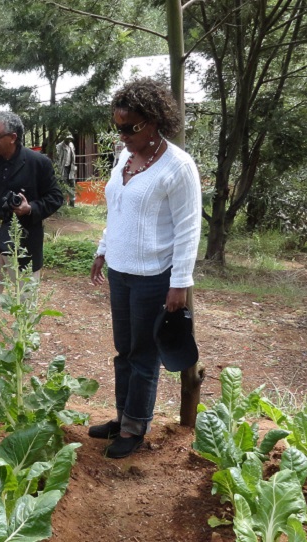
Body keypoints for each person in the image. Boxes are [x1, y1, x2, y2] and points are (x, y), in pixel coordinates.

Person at [89, 78, 202, 459]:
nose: (121, 136)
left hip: (155, 276)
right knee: (124, 350)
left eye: (129, 128)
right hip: (120, 272)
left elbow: (189, 229)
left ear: (153, 122)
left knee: (143, 355)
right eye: (117, 127)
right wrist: (103, 248)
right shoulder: (125, 158)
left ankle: (136, 427)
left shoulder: (178, 167)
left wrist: (179, 284)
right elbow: (117, 209)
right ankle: (122, 418)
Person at [0, 111, 64, 362]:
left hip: (23, 241)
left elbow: (55, 197)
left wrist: (30, 208)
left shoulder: (38, 162)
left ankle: (23, 346)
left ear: (13, 137)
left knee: (25, 296)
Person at [55, 133, 77, 207]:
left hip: (71, 167)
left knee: (72, 184)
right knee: (64, 184)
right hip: (63, 168)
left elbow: (74, 157)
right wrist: (58, 169)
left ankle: (72, 202)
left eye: (70, 139)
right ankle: (63, 202)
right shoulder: (59, 146)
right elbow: (57, 159)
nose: (69, 140)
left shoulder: (71, 145)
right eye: (67, 139)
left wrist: (74, 168)